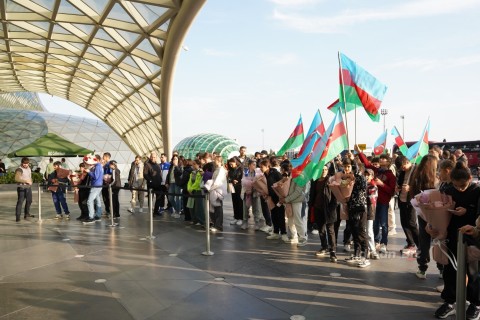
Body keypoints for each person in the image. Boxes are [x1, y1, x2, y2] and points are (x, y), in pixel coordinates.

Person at [434, 162, 480, 319]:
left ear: (470, 178)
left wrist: (468, 211)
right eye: (456, 185)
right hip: (452, 235)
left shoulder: (477, 191)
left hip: (473, 237)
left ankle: (476, 303)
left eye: (463, 185)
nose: (460, 188)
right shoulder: (447, 190)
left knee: (473, 271)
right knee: (450, 270)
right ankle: (450, 301)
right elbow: (439, 211)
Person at [355, 145, 396, 254]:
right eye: (381, 158)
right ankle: (376, 241)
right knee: (374, 224)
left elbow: (392, 191)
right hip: (373, 202)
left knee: (384, 224)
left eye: (384, 159)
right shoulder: (376, 171)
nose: (382, 160)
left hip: (383, 202)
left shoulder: (391, 176)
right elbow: (367, 164)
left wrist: (382, 184)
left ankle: (384, 243)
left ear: (388, 162)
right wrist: (359, 152)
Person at [408, 155, 439, 279]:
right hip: (438, 214)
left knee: (424, 240)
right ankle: (441, 268)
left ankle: (422, 269)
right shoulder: (437, 180)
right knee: (438, 240)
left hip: (422, 213)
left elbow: (413, 196)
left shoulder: (416, 179)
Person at [342, 157, 370, 268]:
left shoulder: (361, 178)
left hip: (360, 208)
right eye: (345, 167)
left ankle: (365, 256)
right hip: (351, 207)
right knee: (354, 232)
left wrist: (354, 176)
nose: (347, 169)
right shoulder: (347, 178)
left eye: (349, 167)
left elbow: (363, 186)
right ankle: (356, 254)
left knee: (361, 232)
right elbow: (342, 187)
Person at [310, 165, 338, 262]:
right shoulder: (315, 180)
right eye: (322, 169)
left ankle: (333, 251)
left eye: (325, 169)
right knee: (321, 230)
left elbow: (336, 197)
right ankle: (324, 247)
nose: (324, 171)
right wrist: (311, 206)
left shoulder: (331, 181)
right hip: (318, 208)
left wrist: (332, 208)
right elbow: (312, 194)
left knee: (330, 231)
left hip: (329, 209)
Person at [395, 155, 419, 255]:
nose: (402, 169)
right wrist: (398, 188)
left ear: (406, 162)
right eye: (400, 168)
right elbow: (400, 183)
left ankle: (420, 245)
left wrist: (410, 188)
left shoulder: (417, 170)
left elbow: (421, 185)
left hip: (411, 200)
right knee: (404, 222)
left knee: (412, 223)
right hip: (402, 199)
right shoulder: (402, 172)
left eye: (403, 166)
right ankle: (410, 243)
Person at [259, 159, 288, 242]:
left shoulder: (275, 173)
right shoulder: (265, 174)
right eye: (260, 167)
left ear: (267, 166)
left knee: (280, 216)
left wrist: (282, 197)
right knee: (274, 215)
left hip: (279, 198)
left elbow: (283, 182)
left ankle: (284, 233)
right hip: (271, 198)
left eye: (262, 167)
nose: (260, 168)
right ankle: (275, 232)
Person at [280, 162, 308, 246]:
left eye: (292, 166)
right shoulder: (292, 175)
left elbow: (297, 192)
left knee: (298, 220)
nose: (291, 168)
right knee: (291, 219)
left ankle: (303, 238)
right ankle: (294, 236)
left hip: (297, 201)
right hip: (290, 201)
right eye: (290, 166)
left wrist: (286, 199)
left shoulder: (301, 176)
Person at [205, 156, 227, 232]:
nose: (214, 162)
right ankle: (215, 224)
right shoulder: (217, 169)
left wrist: (210, 187)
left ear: (218, 161)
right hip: (215, 190)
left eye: (215, 160)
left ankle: (218, 225)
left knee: (218, 209)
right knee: (215, 208)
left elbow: (218, 181)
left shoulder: (221, 170)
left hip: (218, 191)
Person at [82, 154, 103, 224]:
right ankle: (98, 215)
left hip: (96, 185)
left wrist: (89, 172)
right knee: (97, 200)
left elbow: (95, 176)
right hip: (98, 185)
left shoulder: (98, 166)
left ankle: (91, 217)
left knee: (89, 201)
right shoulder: (98, 166)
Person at [143, 152, 163, 216]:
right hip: (151, 185)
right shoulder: (147, 164)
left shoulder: (158, 165)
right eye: (152, 157)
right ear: (150, 157)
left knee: (159, 198)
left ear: (156, 158)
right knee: (150, 199)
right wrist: (150, 181)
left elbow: (160, 173)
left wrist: (161, 180)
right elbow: (145, 174)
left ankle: (156, 211)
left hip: (158, 184)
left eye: (154, 157)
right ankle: (151, 212)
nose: (153, 158)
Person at [15, 157, 34, 222]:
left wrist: (31, 181)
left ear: (28, 163)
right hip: (21, 188)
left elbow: (29, 177)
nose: (25, 164)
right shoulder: (19, 169)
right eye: (24, 163)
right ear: (22, 163)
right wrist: (26, 181)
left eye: (27, 163)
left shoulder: (29, 168)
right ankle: (18, 217)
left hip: (28, 187)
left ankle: (27, 214)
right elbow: (17, 179)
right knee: (20, 202)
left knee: (29, 200)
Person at [227, 157, 244, 226]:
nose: (231, 166)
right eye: (230, 164)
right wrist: (231, 180)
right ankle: (236, 217)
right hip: (233, 188)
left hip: (240, 188)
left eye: (232, 164)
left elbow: (244, 179)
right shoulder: (230, 170)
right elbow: (228, 179)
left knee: (240, 203)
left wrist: (238, 181)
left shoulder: (241, 169)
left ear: (236, 163)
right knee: (235, 202)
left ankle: (241, 218)